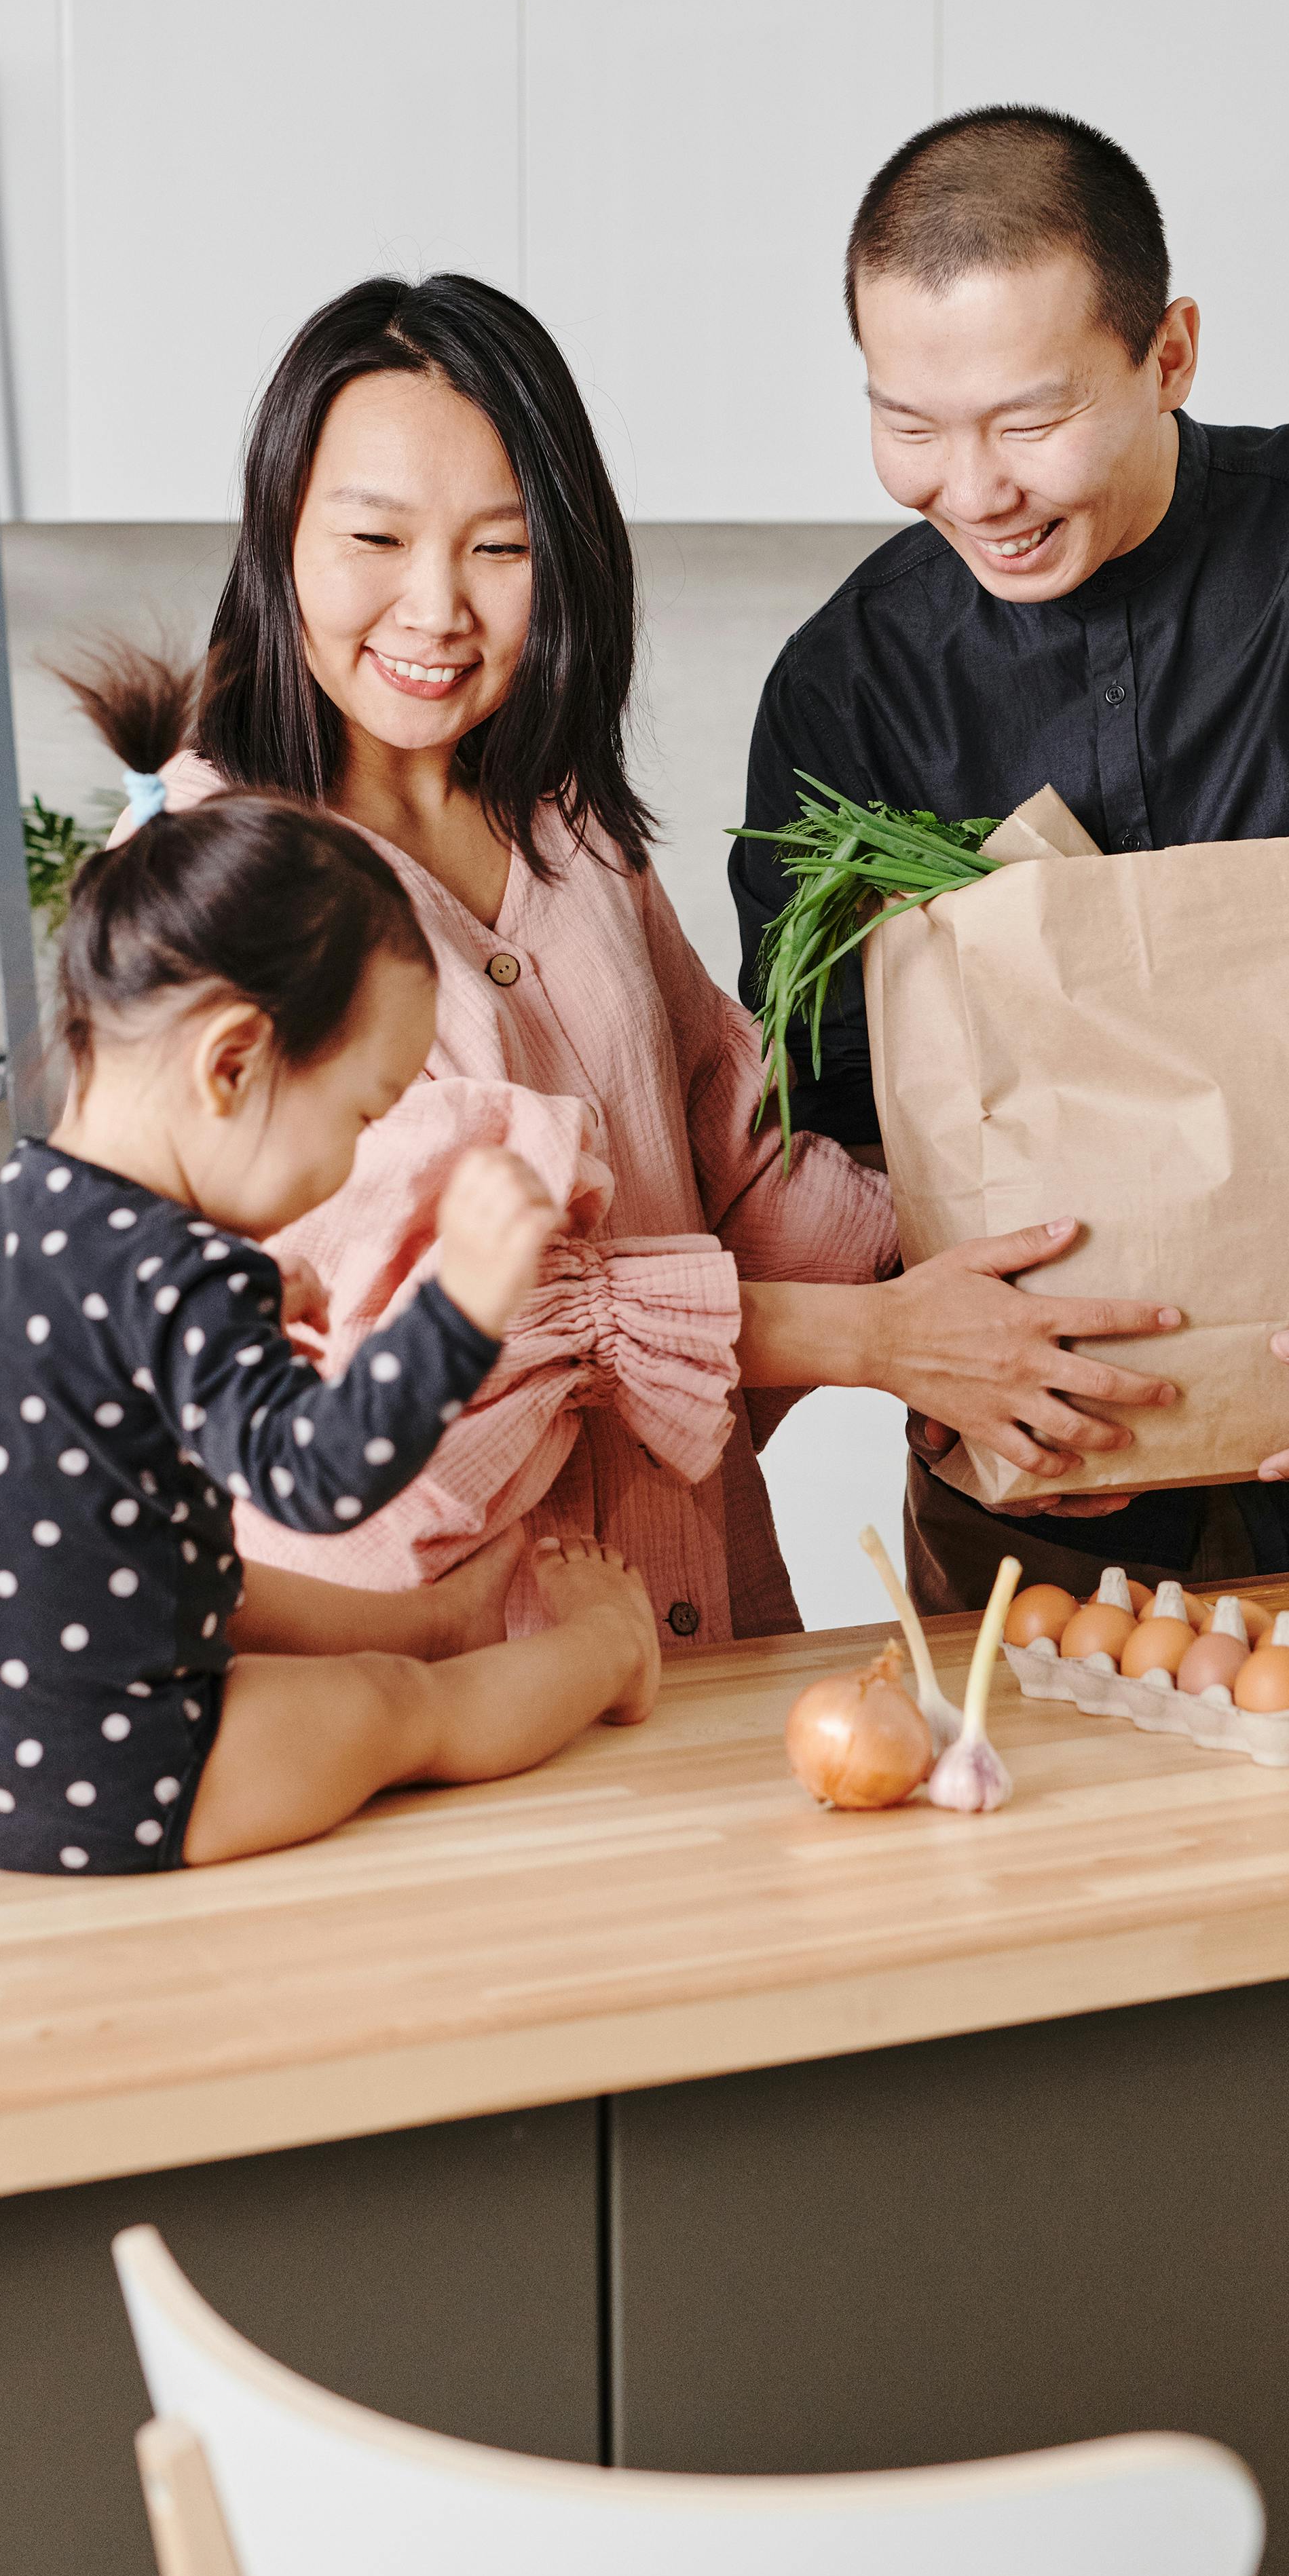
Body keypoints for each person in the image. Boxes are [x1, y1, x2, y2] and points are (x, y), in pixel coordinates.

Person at [128, 273, 1178, 1647]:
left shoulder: (562, 821)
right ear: (281, 535)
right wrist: (884, 1343)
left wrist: (991, 1335)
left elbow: (735, 1153)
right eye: (375, 536)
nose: (436, 607)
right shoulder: (210, 872)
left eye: (500, 548)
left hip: (688, 1612)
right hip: (415, 1664)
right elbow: (449, 1318)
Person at [732, 105, 1289, 1612]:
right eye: (909, 425)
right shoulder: (847, 679)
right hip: (1028, 1519)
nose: (974, 487)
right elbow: (821, 1102)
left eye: (1028, 421)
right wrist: (936, 1347)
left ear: (1173, 353)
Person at [0, 791, 660, 1876]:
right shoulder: (180, 1277)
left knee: (200, 1568)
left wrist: (246, 1292)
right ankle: (610, 1653)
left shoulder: (6, 1210)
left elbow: (106, 1361)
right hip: (115, 1782)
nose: (358, 1158)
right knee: (397, 1710)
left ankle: (434, 1618)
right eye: (361, 1116)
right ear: (233, 1063)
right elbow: (319, 1477)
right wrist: (462, 1302)